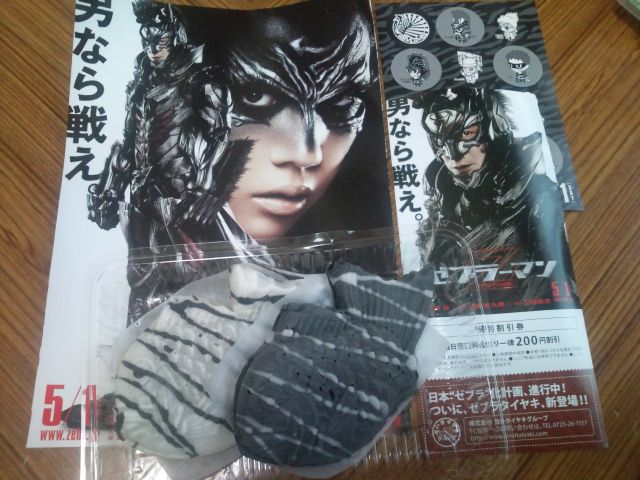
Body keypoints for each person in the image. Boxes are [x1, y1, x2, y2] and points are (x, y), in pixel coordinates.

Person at [87, 1, 241, 320]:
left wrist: (205, 190)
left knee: (201, 281)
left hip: (183, 198)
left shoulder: (203, 81)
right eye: (148, 40)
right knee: (141, 281)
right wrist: (109, 189)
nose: (153, 49)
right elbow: (129, 145)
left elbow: (219, 139)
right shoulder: (140, 86)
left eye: (160, 40)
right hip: (144, 200)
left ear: (175, 36)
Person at [412, 87, 576, 307]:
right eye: (441, 140)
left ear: (492, 129)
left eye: (467, 133)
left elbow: (557, 282)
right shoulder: (441, 192)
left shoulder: (534, 194)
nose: (453, 154)